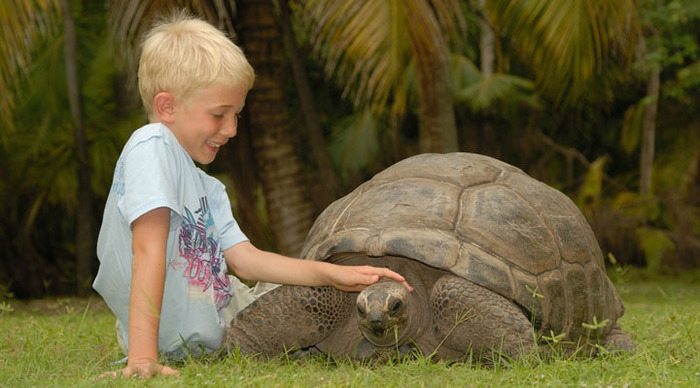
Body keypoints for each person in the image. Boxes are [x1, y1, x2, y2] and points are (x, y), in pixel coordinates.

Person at [93, 11, 411, 379]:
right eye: (219, 114)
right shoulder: (151, 146)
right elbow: (146, 250)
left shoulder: (208, 188)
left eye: (236, 115)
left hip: (227, 317)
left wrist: (331, 273)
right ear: (167, 107)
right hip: (181, 332)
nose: (230, 129)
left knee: (324, 293)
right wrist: (143, 359)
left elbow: (244, 261)